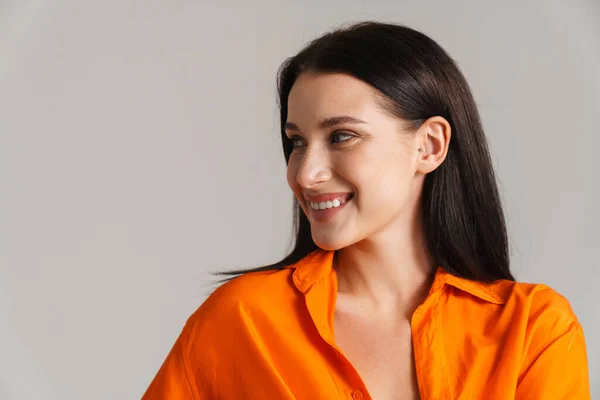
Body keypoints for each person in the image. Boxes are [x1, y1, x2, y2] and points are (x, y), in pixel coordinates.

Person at [142, 21, 590, 399]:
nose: (305, 174)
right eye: (297, 142)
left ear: (428, 146)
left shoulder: (533, 331)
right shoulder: (242, 320)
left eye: (341, 136)